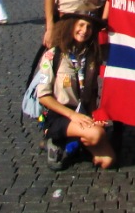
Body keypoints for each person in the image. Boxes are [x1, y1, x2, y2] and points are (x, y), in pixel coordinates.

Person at [37, 13, 115, 170]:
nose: (84, 30)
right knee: (95, 135)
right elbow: (44, 97)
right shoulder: (53, 55)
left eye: (89, 27)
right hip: (59, 114)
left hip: (82, 112)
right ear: (71, 25)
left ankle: (76, 141)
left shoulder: (92, 55)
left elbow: (92, 91)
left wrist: (95, 116)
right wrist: (72, 115)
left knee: (108, 161)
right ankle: (56, 141)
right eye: (80, 25)